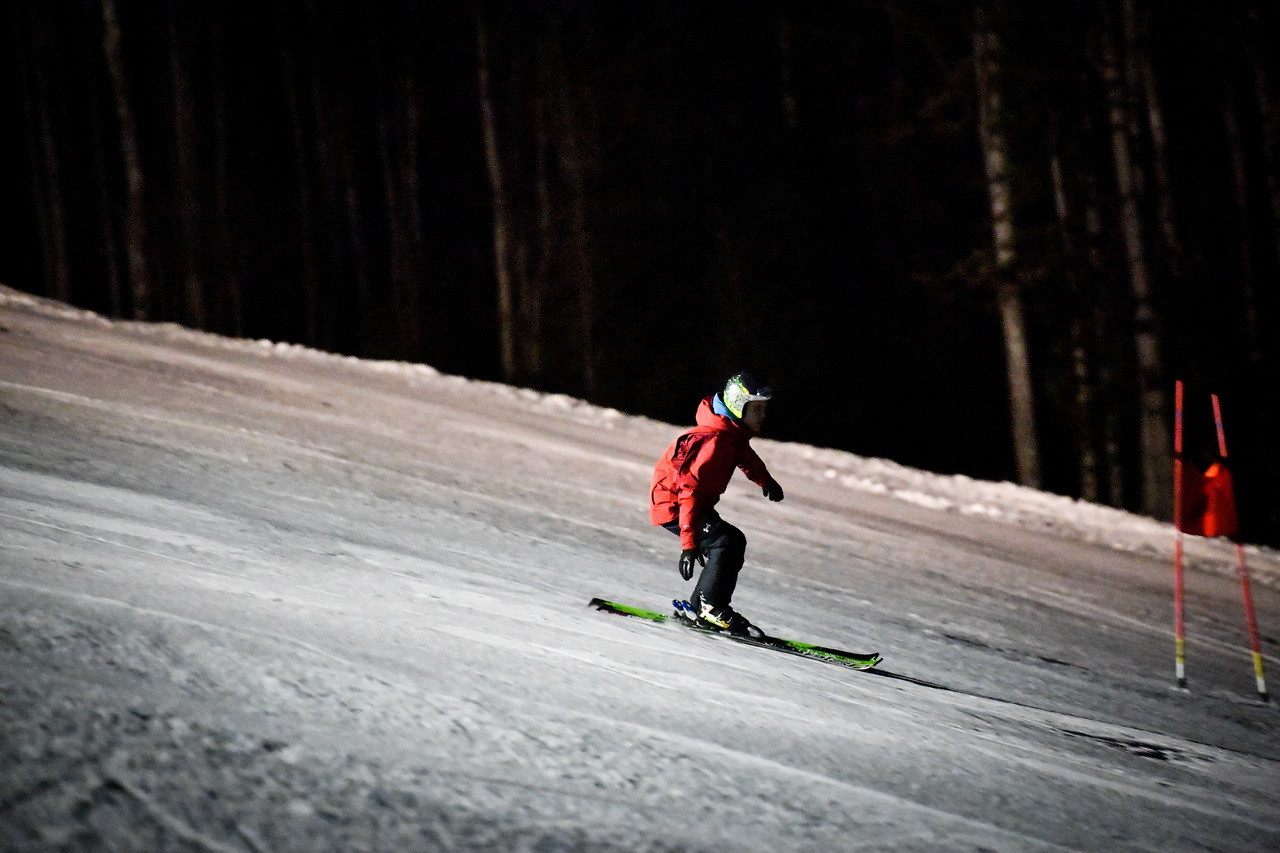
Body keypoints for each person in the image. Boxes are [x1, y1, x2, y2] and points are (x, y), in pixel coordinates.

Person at [648, 372, 784, 635]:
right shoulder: (714, 442)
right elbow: (688, 492)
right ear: (738, 406)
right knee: (726, 542)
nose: (762, 416)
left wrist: (765, 480)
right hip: (676, 506)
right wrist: (689, 544)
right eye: (757, 409)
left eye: (763, 409)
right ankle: (710, 607)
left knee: (727, 542)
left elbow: (745, 456)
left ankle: (702, 606)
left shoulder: (731, 434)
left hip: (690, 504)